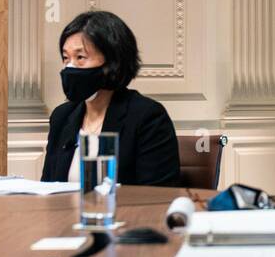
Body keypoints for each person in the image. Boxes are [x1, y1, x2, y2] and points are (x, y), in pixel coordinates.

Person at [41, 10, 181, 187]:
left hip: (123, 214)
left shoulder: (147, 117)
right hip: (65, 214)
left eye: (80, 57)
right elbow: (46, 188)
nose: (70, 67)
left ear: (112, 62)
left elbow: (157, 196)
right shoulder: (62, 116)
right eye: (66, 58)